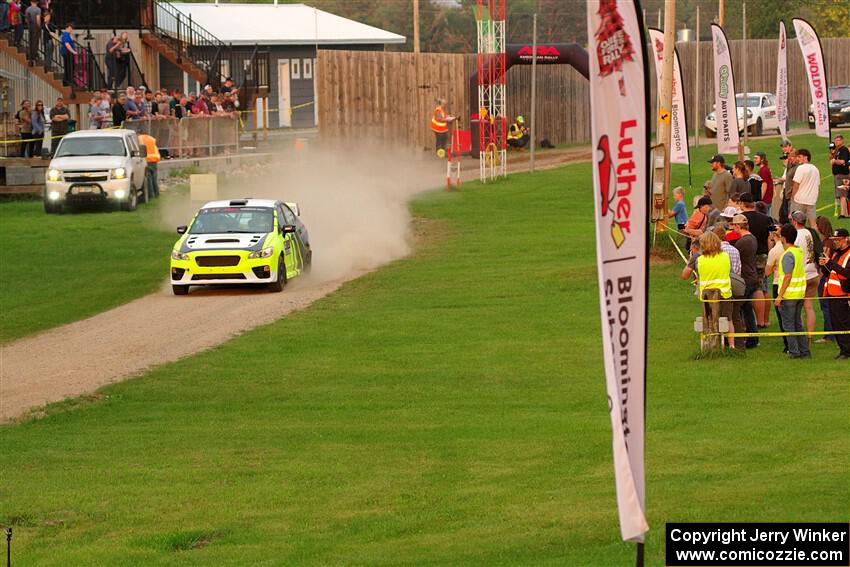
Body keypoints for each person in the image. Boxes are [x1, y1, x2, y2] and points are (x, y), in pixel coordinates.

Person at [774, 224, 811, 359]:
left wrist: (780, 296)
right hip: (800, 293)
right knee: (798, 324)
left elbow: (787, 276)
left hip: (789, 295)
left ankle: (795, 352)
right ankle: (804, 351)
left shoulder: (787, 255)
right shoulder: (798, 251)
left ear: (783, 238)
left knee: (789, 325)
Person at [695, 231, 736, 349]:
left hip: (707, 295)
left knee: (708, 319)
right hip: (725, 293)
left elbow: (699, 274)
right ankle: (731, 345)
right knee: (728, 319)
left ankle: (710, 344)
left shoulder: (700, 260)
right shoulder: (725, 256)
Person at [739, 193, 772, 328]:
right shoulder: (766, 218)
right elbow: (770, 238)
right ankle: (764, 319)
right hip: (763, 255)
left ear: (742, 204)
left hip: (748, 256)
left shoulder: (741, 219)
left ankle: (757, 321)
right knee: (764, 287)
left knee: (755, 289)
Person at [819, 227, 850, 359]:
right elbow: (831, 272)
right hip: (832, 294)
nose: (836, 243)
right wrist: (823, 265)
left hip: (843, 295)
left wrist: (830, 263)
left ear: (846, 239)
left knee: (844, 324)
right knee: (836, 324)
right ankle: (843, 350)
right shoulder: (836, 253)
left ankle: (847, 351)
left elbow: (847, 273)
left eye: (838, 240)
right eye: (834, 240)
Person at [790, 210, 820, 341]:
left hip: (803, 274)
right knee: (809, 306)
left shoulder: (797, 235)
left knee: (797, 308)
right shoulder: (809, 232)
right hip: (813, 272)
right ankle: (810, 336)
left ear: (795, 221)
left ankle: (801, 336)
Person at [731, 214, 760, 348]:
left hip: (745, 279)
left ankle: (741, 340)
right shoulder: (752, 238)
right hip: (752, 277)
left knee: (738, 311)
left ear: (738, 226)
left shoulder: (743, 242)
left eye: (734, 226)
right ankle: (753, 338)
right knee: (748, 310)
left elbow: (735, 256)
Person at [765, 228, 789, 353]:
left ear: (773, 235)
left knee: (782, 316)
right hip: (792, 284)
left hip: (778, 282)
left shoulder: (774, 251)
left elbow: (767, 272)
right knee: (793, 315)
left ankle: (788, 345)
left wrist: (773, 267)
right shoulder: (790, 248)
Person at [815, 216, 835, 345]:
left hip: (825, 278)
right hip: (829, 278)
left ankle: (829, 334)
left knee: (826, 307)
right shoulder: (830, 241)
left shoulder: (827, 243)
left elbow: (824, 262)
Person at [791, 148, 819, 231]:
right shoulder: (815, 169)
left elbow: (796, 185)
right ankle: (816, 241)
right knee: (813, 224)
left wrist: (793, 197)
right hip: (811, 200)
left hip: (800, 200)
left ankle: (798, 241)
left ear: (805, 157)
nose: (797, 159)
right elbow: (818, 186)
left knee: (797, 223)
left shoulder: (800, 168)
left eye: (799, 157)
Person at [830, 135, 850, 217]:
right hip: (839, 174)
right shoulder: (837, 150)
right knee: (842, 195)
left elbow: (842, 161)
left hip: (842, 174)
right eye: (835, 140)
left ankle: (843, 214)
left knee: (842, 194)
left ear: (842, 141)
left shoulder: (844, 150)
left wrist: (834, 161)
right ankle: (845, 213)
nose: (836, 142)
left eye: (838, 140)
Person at [137, 133, 160, 199]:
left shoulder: (139, 138)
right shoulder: (151, 138)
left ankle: (151, 196)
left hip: (147, 160)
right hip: (154, 159)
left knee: (148, 179)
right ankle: (157, 194)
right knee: (154, 178)